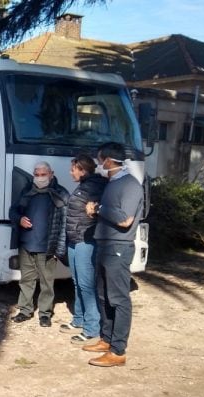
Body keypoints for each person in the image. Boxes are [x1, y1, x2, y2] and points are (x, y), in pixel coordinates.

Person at [83, 142, 144, 367]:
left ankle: (118, 351)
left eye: (100, 160)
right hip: (105, 244)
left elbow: (125, 219)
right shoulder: (113, 182)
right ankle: (106, 340)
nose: (99, 164)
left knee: (119, 298)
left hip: (118, 247)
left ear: (108, 160)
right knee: (103, 294)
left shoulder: (130, 184)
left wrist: (98, 209)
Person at [9, 161, 69, 327]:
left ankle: (45, 314)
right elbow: (13, 211)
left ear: (51, 174)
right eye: (37, 174)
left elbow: (65, 223)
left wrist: (60, 247)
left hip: (47, 247)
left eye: (43, 174)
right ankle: (25, 310)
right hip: (26, 244)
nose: (40, 178)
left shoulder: (60, 194)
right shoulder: (27, 190)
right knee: (26, 280)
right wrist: (19, 219)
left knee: (46, 283)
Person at [61, 154, 108, 344]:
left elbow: (97, 211)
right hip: (74, 240)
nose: (70, 172)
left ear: (82, 169)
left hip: (85, 241)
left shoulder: (95, 186)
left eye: (73, 168)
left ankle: (92, 328)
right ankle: (78, 319)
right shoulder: (84, 185)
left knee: (87, 285)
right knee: (77, 282)